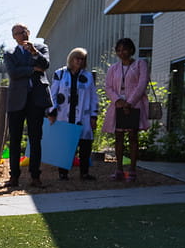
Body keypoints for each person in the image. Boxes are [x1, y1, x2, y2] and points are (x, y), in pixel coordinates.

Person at [3, 23, 52, 188]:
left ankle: (35, 176)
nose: (21, 35)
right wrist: (33, 69)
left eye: (23, 32)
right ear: (13, 36)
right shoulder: (10, 53)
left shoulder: (41, 47)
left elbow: (45, 66)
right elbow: (13, 73)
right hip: (17, 100)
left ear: (29, 33)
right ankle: (14, 176)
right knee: (15, 140)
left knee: (36, 139)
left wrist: (34, 53)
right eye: (17, 33)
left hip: (36, 99)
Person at [102, 37, 149, 182]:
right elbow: (108, 87)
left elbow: (142, 84)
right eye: (119, 50)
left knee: (133, 137)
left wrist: (130, 102)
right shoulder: (113, 68)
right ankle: (119, 170)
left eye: (125, 49)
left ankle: (133, 170)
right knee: (118, 137)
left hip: (134, 105)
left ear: (131, 50)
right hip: (118, 105)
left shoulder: (140, 64)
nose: (122, 52)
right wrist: (118, 100)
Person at [49, 48, 99, 180]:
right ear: (71, 59)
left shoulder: (87, 76)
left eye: (82, 59)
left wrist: (94, 116)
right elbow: (53, 94)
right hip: (64, 115)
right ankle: (63, 173)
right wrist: (52, 111)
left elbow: (93, 97)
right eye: (77, 58)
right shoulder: (60, 74)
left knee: (85, 146)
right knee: (64, 145)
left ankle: (84, 172)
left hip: (84, 115)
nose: (79, 61)